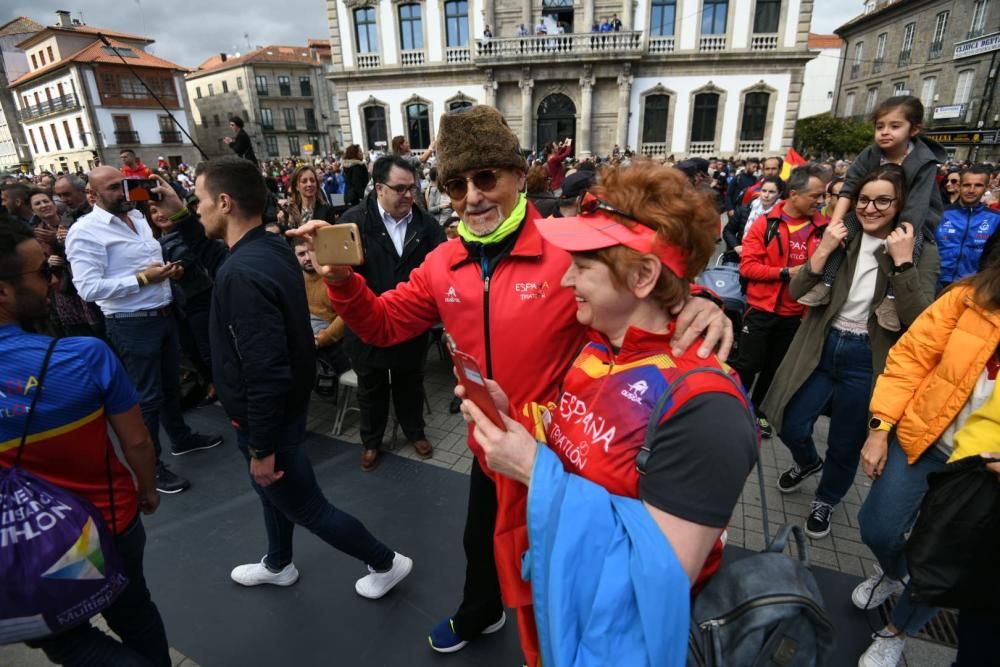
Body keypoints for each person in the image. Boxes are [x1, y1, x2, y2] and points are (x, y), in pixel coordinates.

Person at [290, 105, 733, 665]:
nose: (471, 196)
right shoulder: (441, 262)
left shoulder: (568, 246)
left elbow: (644, 275)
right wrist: (341, 280)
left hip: (568, 453)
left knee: (555, 569)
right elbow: (381, 324)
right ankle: (483, 612)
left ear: (519, 176)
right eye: (455, 184)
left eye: (485, 178)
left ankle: (549, 642)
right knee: (482, 544)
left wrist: (704, 303)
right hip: (491, 446)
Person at [460, 163, 758, 666]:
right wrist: (515, 422)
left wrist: (534, 468)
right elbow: (575, 445)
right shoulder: (599, 348)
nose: (565, 277)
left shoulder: (708, 409)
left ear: (642, 275)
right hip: (564, 602)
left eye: (583, 265)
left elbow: (657, 578)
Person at [152, 156, 414, 597]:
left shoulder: (243, 272)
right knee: (270, 493)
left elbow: (265, 369)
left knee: (306, 506)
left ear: (224, 201)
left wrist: (262, 447)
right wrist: (179, 213)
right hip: (273, 414)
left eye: (197, 201)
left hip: (267, 421)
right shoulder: (265, 247)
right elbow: (214, 254)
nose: (195, 209)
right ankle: (278, 563)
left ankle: (385, 562)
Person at [0, 222, 170, 666]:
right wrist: (148, 489)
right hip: (108, 523)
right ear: (3, 292)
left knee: (65, 638)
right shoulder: (84, 355)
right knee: (135, 613)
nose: (54, 281)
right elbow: (136, 441)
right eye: (42, 273)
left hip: (19, 547)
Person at [762, 165, 939, 539]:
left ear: (901, 204)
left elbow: (921, 320)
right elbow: (797, 294)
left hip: (867, 357)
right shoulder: (843, 237)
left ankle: (827, 498)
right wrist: (824, 248)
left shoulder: (919, 249)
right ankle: (808, 462)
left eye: (882, 200)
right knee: (789, 421)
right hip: (822, 344)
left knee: (845, 441)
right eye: (863, 199)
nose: (870, 208)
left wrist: (903, 263)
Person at [853, 231, 1000, 667]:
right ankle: (893, 572)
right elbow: (911, 358)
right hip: (925, 438)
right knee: (876, 526)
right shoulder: (967, 297)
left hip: (982, 470)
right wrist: (880, 429)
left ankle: (897, 631)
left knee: (939, 561)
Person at [66, 166, 223, 494]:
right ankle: (151, 468)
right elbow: (88, 289)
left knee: (169, 388)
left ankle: (180, 438)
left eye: (123, 185)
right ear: (92, 195)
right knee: (148, 398)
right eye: (112, 188)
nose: (121, 192)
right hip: (131, 323)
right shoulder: (86, 231)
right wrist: (142, 279)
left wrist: (168, 273)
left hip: (163, 314)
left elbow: (146, 265)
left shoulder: (138, 218)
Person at [800, 96, 947, 330]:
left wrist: (900, 238)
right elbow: (848, 189)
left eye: (894, 126)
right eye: (880, 126)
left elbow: (917, 206)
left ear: (915, 129)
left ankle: (890, 299)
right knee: (842, 233)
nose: (885, 132)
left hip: (917, 219)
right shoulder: (871, 153)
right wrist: (834, 224)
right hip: (875, 214)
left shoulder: (924, 160)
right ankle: (825, 284)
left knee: (911, 245)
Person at [337, 155, 446, 470]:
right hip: (365, 329)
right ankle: (372, 441)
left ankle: (414, 432)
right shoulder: (353, 222)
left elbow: (440, 270)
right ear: (379, 187)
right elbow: (341, 275)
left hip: (411, 327)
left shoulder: (426, 225)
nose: (409, 195)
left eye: (412, 187)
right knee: (370, 389)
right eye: (400, 189)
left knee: (409, 383)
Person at [732, 167, 827, 438]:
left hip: (796, 314)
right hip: (761, 309)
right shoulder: (766, 223)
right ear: (794, 195)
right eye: (815, 195)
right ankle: (732, 407)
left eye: (822, 195)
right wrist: (786, 273)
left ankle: (759, 414)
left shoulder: (824, 229)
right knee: (748, 365)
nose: (820, 201)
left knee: (775, 369)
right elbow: (748, 267)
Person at [935, 164, 1000, 291]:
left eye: (978, 185)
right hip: (937, 283)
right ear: (959, 186)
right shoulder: (941, 214)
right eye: (966, 185)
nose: (971, 190)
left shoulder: (996, 219)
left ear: (986, 187)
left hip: (973, 285)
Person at [722, 175, 783, 260]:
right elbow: (728, 231)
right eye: (764, 191)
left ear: (779, 194)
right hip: (742, 256)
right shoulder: (745, 209)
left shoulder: (783, 214)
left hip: (766, 260)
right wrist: (736, 246)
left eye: (771, 192)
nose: (766, 195)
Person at [279, 165, 338, 229]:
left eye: (312, 180)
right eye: (304, 181)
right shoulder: (291, 210)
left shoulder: (327, 210)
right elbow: (288, 236)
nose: (309, 184)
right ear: (297, 187)